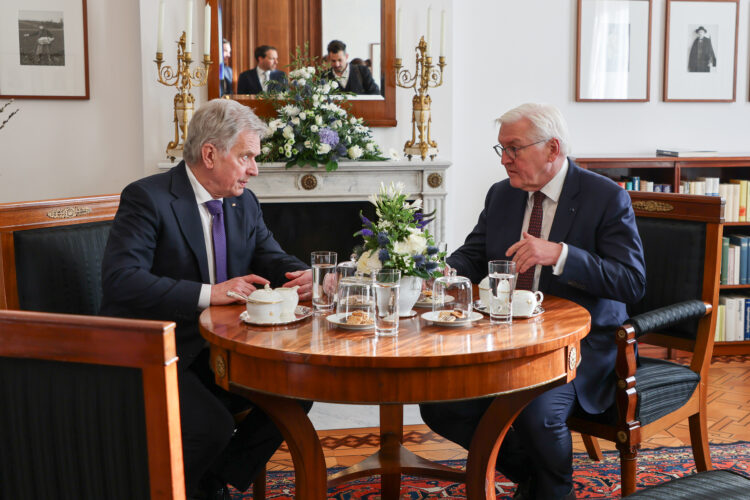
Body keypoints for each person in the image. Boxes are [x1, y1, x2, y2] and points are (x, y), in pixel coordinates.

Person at [419, 103, 646, 500]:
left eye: (514, 148)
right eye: (501, 149)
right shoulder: (502, 194)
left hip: (577, 346)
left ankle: (552, 490)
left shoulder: (605, 197)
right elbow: (473, 255)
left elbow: (632, 282)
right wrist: (444, 273)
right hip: (504, 337)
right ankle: (540, 480)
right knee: (440, 405)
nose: (505, 160)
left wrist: (560, 255)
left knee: (536, 414)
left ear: (552, 149)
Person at [101, 99, 313, 499]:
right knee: (210, 426)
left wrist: (307, 275)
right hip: (154, 352)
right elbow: (120, 281)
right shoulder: (148, 198)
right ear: (210, 154)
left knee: (296, 392)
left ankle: (209, 483)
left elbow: (271, 256)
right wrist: (208, 294)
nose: (254, 169)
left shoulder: (243, 201)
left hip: (218, 349)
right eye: (246, 157)